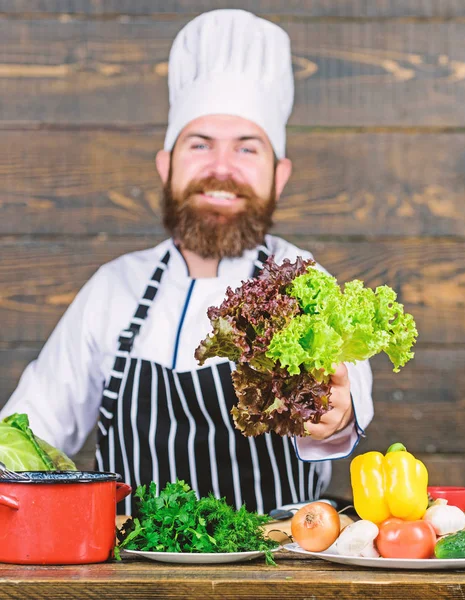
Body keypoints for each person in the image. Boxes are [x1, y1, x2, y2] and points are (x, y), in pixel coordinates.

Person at [0, 9, 373, 516]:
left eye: (247, 149)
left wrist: (335, 412)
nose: (221, 169)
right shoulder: (114, 290)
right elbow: (26, 432)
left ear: (278, 176)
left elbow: (342, 400)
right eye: (200, 145)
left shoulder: (304, 281)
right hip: (132, 581)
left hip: (279, 575)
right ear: (166, 165)